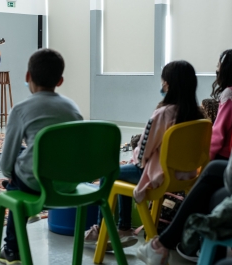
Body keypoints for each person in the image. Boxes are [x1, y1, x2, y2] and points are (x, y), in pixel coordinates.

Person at [137, 34, 232, 265]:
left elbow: (219, 140)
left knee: (212, 183)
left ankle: (182, 245)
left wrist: (200, 165)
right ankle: (169, 244)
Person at [84, 61, 204, 251]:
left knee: (110, 172)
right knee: (122, 171)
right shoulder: (199, 115)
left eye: (163, 80)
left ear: (168, 84)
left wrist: (133, 159)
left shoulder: (162, 114)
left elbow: (143, 153)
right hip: (185, 178)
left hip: (159, 177)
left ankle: (106, 229)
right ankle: (122, 227)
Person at [0, 49, 83, 264]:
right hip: (69, 183)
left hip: (37, 184)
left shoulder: (21, 109)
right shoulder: (73, 108)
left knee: (15, 177)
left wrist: (10, 175)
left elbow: (6, 164)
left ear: (28, 77)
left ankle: (12, 250)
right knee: (26, 154)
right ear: (60, 81)